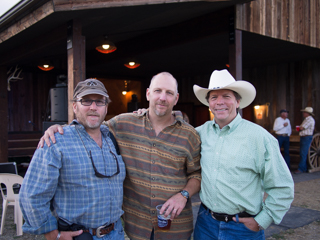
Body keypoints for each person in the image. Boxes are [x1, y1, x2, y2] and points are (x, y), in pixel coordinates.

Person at [39, 72, 201, 240]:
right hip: (137, 228)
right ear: (148, 94)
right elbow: (91, 124)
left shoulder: (190, 135)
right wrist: (61, 129)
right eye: (157, 91)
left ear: (176, 98)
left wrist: (184, 195)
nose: (162, 97)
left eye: (169, 93)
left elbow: (196, 174)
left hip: (176, 228)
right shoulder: (123, 124)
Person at [192, 69, 294, 240]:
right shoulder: (199, 133)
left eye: (226, 96)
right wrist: (145, 116)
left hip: (242, 228)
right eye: (214, 97)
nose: (220, 102)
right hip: (205, 223)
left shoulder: (260, 138)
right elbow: (173, 135)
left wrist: (262, 220)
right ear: (208, 103)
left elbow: (282, 186)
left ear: (238, 102)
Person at [19, 79, 126, 240]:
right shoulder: (56, 141)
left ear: (106, 108)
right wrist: (52, 234)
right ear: (75, 106)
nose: (93, 107)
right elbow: (31, 194)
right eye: (86, 101)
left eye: (99, 102)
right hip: (79, 236)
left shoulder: (112, 138)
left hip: (116, 232)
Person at [294, 107, 315, 174]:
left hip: (306, 137)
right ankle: (304, 168)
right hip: (304, 137)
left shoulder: (309, 120)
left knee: (303, 153)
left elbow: (302, 128)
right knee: (303, 153)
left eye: (304, 112)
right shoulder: (306, 119)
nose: (303, 113)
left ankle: (301, 168)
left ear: (307, 113)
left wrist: (298, 128)